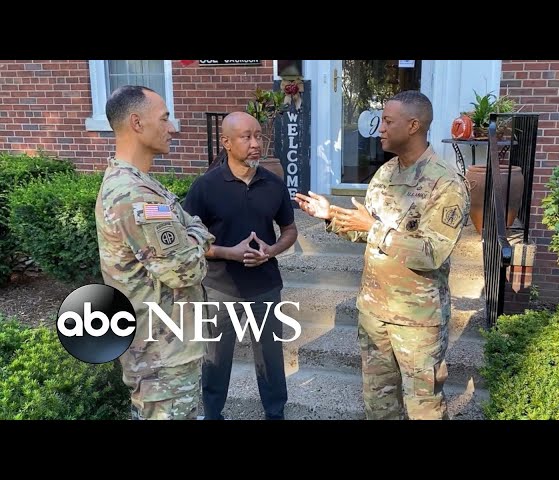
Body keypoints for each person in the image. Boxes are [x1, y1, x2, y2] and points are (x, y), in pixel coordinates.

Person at [295, 90, 470, 420]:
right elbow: (367, 229)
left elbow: (431, 253)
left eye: (388, 121)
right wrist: (331, 215)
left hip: (417, 320)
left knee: (424, 408)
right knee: (378, 405)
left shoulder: (446, 183)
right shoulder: (386, 173)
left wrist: (373, 228)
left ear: (414, 125)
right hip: (374, 312)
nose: (380, 129)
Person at [95, 85, 214, 420]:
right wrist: (196, 236)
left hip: (163, 350)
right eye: (164, 118)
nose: (172, 128)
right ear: (137, 123)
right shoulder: (136, 195)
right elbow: (187, 270)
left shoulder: (139, 184)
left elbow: (192, 228)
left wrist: (191, 234)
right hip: (161, 357)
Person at [183, 111, 298, 420]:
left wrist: (271, 250)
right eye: (246, 137)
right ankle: (213, 415)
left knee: (271, 360)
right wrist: (228, 252)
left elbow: (289, 230)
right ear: (227, 142)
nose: (255, 143)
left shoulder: (273, 184)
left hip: (266, 287)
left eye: (258, 135)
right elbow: (187, 241)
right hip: (220, 289)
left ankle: (275, 413)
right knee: (216, 362)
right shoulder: (205, 186)